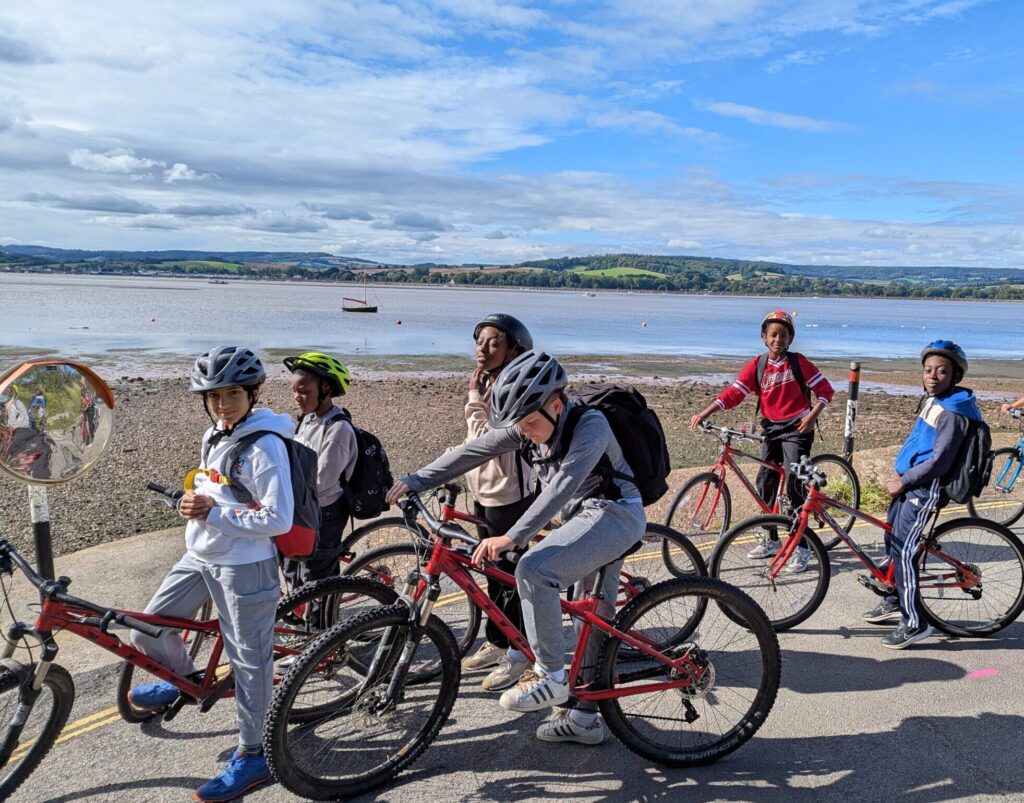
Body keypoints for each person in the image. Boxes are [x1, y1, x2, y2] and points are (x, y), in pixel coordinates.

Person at [386, 350, 645, 746]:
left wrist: (513, 537)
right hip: (580, 518)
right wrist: (417, 479)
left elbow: (562, 488)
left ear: (556, 405)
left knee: (534, 569)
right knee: (587, 620)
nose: (523, 432)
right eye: (519, 425)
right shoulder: (528, 425)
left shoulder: (591, 426)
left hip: (615, 514)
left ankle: (550, 677)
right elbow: (473, 450)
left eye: (529, 423)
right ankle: (584, 720)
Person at [128, 346, 293, 801]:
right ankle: (182, 681)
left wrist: (214, 516)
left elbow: (278, 520)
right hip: (200, 556)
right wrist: (194, 505)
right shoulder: (213, 434)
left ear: (254, 393)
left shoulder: (266, 446)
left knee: (250, 663)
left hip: (245, 566)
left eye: (233, 394)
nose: (223, 405)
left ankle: (254, 753)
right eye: (214, 396)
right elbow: (214, 490)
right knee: (148, 628)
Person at [690, 309, 834, 571]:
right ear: (764, 338)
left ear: (790, 339)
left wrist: (812, 417)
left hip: (797, 430)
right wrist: (704, 413)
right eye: (773, 334)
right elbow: (734, 393)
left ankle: (801, 546)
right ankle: (771, 539)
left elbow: (826, 392)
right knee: (765, 483)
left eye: (783, 335)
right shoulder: (758, 365)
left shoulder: (799, 362)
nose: (778, 339)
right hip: (771, 429)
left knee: (794, 481)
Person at [863, 340, 983, 649]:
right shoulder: (934, 400)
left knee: (905, 551)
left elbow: (940, 461)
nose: (933, 375)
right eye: (928, 370)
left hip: (925, 487)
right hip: (910, 480)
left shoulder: (953, 410)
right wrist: (902, 474)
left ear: (954, 375)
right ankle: (893, 597)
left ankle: (916, 622)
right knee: (891, 539)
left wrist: (906, 481)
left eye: (942, 371)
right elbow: (920, 444)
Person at [459, 314, 537, 691]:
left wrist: (474, 399)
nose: (482, 348)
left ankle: (520, 654)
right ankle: (498, 639)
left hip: (509, 495)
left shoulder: (514, 387)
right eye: (480, 341)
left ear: (513, 350)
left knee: (510, 577)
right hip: (484, 492)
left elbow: (483, 440)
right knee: (492, 574)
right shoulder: (490, 382)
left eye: (493, 343)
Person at [282, 352, 357, 593]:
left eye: (303, 391)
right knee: (292, 562)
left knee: (317, 574)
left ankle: (324, 626)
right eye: (294, 391)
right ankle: (301, 612)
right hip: (303, 504)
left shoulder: (338, 429)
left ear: (326, 388)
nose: (297, 397)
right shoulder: (308, 419)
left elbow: (323, 480)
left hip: (325, 510)